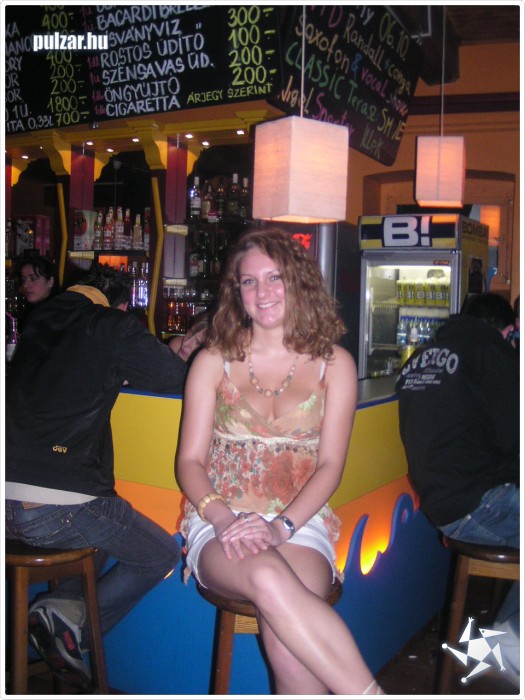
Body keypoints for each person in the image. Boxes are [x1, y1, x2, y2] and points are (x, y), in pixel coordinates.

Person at [176, 228, 382, 695]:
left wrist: (280, 528)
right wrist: (225, 519)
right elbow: (188, 461)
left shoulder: (335, 364)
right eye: (249, 281)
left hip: (298, 521)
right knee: (268, 573)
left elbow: (331, 466)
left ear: (298, 282)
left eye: (274, 278)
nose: (262, 291)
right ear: (237, 292)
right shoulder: (212, 360)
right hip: (220, 517)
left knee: (288, 642)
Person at [5, 262, 194, 689]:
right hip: (55, 506)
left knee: (102, 533)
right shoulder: (113, 326)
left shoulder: (38, 319)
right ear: (122, 305)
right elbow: (177, 378)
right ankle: (68, 629)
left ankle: (62, 611)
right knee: (160, 554)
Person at [396, 292, 519, 686]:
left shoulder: (422, 356)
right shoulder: (492, 352)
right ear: (507, 330)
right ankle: (510, 642)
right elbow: (514, 440)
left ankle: (505, 640)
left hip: (442, 503)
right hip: (478, 503)